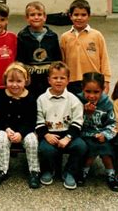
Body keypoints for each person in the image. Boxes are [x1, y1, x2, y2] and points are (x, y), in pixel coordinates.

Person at [36, 61, 87, 190]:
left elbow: (77, 121)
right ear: (49, 80)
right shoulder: (41, 99)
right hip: (49, 133)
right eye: (55, 78)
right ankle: (49, 170)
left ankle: (70, 171)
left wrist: (68, 137)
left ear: (68, 80)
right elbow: (39, 121)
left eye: (62, 78)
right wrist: (46, 135)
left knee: (81, 146)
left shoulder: (73, 99)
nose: (58, 81)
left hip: (68, 134)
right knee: (46, 149)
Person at [0, 62, 40, 189]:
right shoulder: (1, 96)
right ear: (5, 81)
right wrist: (7, 129)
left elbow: (31, 120)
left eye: (19, 81)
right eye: (11, 81)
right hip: (6, 128)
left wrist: (21, 133)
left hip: (24, 130)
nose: (14, 85)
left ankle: (34, 171)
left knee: (32, 141)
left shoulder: (30, 97)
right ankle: (2, 170)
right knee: (2, 139)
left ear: (26, 81)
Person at [75, 72, 118, 191]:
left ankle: (111, 174)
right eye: (88, 91)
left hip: (101, 133)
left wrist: (105, 135)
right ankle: (84, 171)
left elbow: (113, 123)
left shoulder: (107, 103)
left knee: (105, 149)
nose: (92, 96)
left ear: (103, 90)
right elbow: (73, 123)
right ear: (82, 89)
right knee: (91, 148)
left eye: (96, 92)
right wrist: (86, 114)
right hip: (84, 133)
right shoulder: (77, 101)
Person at [60, 0, 111, 95]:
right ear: (70, 16)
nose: (79, 18)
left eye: (83, 15)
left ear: (89, 16)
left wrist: (106, 81)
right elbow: (62, 61)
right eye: (76, 15)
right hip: (72, 82)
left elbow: (104, 59)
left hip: (93, 81)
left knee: (92, 108)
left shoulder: (97, 35)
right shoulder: (65, 37)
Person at [16, 1, 62, 97]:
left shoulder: (52, 36)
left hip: (47, 80)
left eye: (39, 14)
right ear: (27, 18)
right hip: (31, 80)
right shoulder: (22, 36)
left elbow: (57, 59)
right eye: (32, 15)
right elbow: (20, 60)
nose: (36, 17)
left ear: (45, 17)